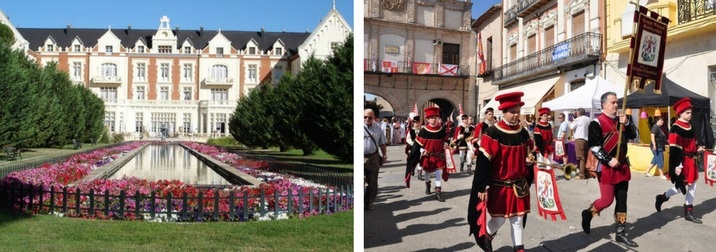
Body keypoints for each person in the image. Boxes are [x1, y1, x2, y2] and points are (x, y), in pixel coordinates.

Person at [468, 92, 535, 252]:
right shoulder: (493, 133)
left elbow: (529, 151)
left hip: (519, 186)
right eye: (512, 112)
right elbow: (484, 164)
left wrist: (530, 158)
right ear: (503, 113)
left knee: (517, 220)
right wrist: (482, 187)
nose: (516, 115)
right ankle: (486, 236)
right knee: (498, 220)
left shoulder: (523, 132)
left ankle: (519, 249)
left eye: (518, 111)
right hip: (499, 186)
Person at [580, 91, 638, 247]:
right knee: (606, 200)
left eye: (617, 102)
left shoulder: (623, 120)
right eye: (612, 102)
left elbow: (634, 134)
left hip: (623, 166)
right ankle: (588, 213)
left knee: (622, 199)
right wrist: (609, 159)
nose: (616, 105)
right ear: (604, 105)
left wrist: (627, 123)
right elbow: (594, 146)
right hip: (607, 167)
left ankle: (620, 233)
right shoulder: (596, 123)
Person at [655, 98, 705, 224]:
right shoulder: (676, 128)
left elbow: (693, 142)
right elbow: (674, 150)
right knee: (679, 187)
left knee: (693, 185)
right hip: (682, 162)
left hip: (691, 161)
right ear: (680, 113)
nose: (690, 115)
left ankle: (689, 211)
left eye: (690, 112)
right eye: (687, 113)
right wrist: (678, 166)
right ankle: (662, 197)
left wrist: (697, 148)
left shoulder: (690, 126)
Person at [406, 106, 452, 202]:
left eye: (435, 117)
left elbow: (445, 140)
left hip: (439, 156)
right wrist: (422, 151)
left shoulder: (441, 130)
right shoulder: (423, 131)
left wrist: (446, 143)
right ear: (427, 119)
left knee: (439, 173)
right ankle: (428, 185)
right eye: (431, 118)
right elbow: (417, 146)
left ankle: (438, 192)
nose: (433, 120)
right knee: (427, 173)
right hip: (428, 156)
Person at [364, 109, 387, 211]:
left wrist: (385, 155)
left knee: (372, 183)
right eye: (365, 117)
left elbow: (382, 143)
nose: (367, 119)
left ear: (373, 118)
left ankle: (368, 203)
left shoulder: (378, 129)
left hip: (373, 157)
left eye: (370, 117)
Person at [570, 108, 591, 179]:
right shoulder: (588, 119)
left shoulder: (578, 119)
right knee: (586, 156)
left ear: (578, 113)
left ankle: (582, 174)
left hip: (580, 139)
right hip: (587, 139)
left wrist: (574, 119)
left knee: (581, 158)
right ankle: (587, 173)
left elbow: (571, 126)